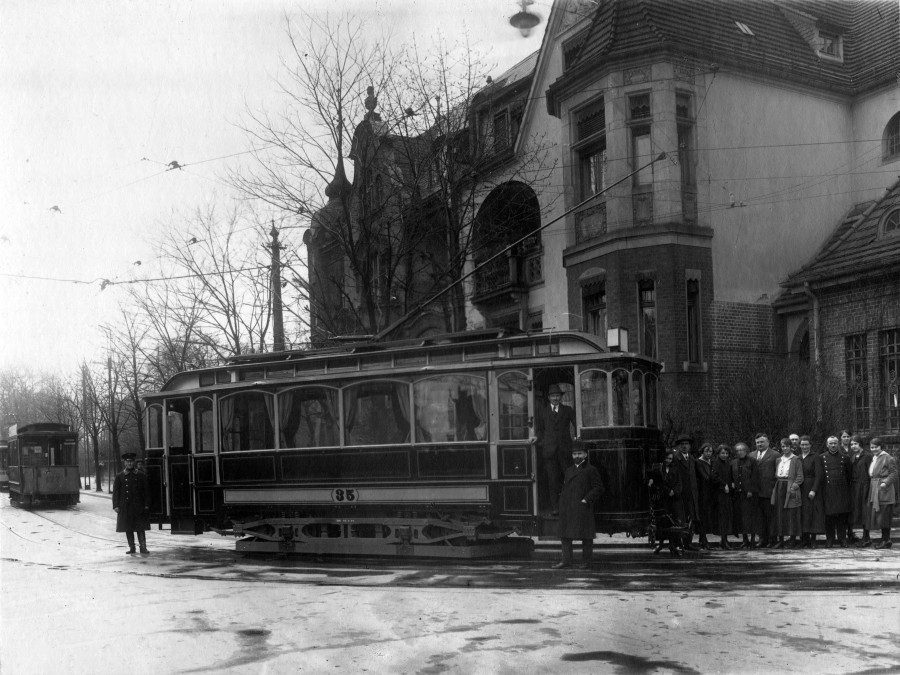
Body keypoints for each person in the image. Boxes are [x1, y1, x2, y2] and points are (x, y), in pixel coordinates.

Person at [552, 442, 604, 569]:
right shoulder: (569, 470)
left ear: (585, 454)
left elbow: (599, 488)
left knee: (586, 536)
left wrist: (586, 500)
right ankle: (566, 561)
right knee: (565, 535)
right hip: (568, 507)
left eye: (579, 453)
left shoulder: (591, 470)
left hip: (583, 507)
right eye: (574, 454)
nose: (577, 456)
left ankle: (586, 562)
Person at [534, 384, 576, 516]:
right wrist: (538, 439)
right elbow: (540, 430)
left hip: (565, 450)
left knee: (569, 478)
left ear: (561, 397)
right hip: (549, 451)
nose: (555, 398)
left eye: (557, 395)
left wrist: (577, 437)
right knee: (552, 480)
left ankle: (570, 506)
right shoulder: (543, 411)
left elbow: (577, 425)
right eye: (553, 396)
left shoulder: (568, 410)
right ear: (549, 397)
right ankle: (555, 508)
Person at [647, 449, 684, 555]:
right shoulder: (659, 468)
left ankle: (673, 544)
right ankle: (661, 543)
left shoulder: (675, 469)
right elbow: (658, 482)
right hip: (663, 499)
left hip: (674, 499)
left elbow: (679, 483)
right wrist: (668, 491)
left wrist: (674, 491)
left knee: (674, 522)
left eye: (671, 459)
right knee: (663, 522)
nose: (669, 460)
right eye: (667, 458)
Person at [113, 452, 150, 555]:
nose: (129, 464)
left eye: (131, 461)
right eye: (127, 462)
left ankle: (143, 547)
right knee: (128, 528)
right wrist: (115, 505)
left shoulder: (141, 475)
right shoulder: (119, 476)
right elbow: (116, 492)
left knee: (140, 527)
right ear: (124, 463)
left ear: (134, 462)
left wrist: (146, 504)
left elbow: (146, 491)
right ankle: (132, 547)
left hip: (138, 506)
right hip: (126, 507)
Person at [819, 435, 852, 547]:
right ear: (827, 445)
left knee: (842, 517)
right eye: (831, 443)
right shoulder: (821, 458)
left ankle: (842, 539)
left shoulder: (845, 458)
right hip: (828, 491)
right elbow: (821, 476)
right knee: (829, 517)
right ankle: (830, 540)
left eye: (835, 443)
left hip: (842, 491)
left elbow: (849, 476)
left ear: (838, 444)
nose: (833, 445)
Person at [865, 437, 898, 549]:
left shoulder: (887, 458)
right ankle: (884, 539)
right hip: (875, 487)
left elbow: (894, 473)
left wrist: (885, 483)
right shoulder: (875, 457)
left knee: (885, 515)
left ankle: (886, 540)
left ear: (881, 447)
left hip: (884, 490)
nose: (873, 449)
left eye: (876, 447)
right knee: (880, 515)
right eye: (872, 447)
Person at [770, 439, 803, 548]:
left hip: (790, 487)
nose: (784, 448)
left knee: (791, 514)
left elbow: (800, 476)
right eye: (783, 446)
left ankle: (792, 539)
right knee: (779, 513)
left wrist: (794, 486)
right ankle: (781, 539)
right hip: (780, 486)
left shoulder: (796, 459)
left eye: (787, 446)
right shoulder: (778, 459)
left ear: (791, 447)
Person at [751, 433, 779, 548]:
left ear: (768, 442)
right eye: (757, 442)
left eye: (762, 442)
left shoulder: (775, 455)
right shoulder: (751, 455)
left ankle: (772, 539)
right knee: (759, 517)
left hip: (769, 490)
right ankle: (762, 539)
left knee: (770, 516)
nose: (760, 444)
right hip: (756, 491)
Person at [673, 435, 700, 551]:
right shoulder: (675, 458)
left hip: (692, 494)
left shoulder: (692, 459)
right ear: (679, 446)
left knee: (691, 519)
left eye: (686, 444)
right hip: (680, 494)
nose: (684, 446)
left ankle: (688, 543)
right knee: (680, 519)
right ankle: (679, 543)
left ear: (689, 446)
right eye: (682, 444)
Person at [798, 435, 825, 548]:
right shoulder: (798, 458)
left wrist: (814, 490)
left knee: (812, 514)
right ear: (800, 446)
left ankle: (813, 540)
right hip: (800, 488)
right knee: (802, 514)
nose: (804, 446)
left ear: (810, 445)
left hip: (811, 488)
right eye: (802, 444)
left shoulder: (816, 457)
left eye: (806, 444)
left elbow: (819, 475)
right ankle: (804, 539)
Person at [730, 442, 758, 548]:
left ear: (746, 451)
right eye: (737, 450)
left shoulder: (752, 461)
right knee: (741, 518)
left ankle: (752, 540)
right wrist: (732, 483)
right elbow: (731, 476)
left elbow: (755, 476)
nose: (739, 452)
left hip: (749, 494)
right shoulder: (733, 462)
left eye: (742, 450)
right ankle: (745, 539)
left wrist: (751, 490)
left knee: (751, 517)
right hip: (738, 494)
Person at [848, 435, 873, 547]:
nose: (853, 446)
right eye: (852, 444)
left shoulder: (867, 456)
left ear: (860, 444)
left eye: (855, 444)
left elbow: (871, 473)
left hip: (865, 486)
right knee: (858, 512)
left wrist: (868, 487)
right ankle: (862, 537)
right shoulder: (853, 457)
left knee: (865, 511)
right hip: (855, 487)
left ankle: (866, 537)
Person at [711, 444, 733, 549]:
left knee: (726, 516)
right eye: (722, 453)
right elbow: (714, 477)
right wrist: (723, 485)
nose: (724, 455)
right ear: (718, 454)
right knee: (722, 517)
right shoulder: (716, 463)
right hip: (720, 493)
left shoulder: (727, 463)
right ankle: (723, 540)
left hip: (727, 493)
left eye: (726, 453)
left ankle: (724, 539)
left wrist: (731, 483)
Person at [695, 443, 716, 549]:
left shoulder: (711, 462)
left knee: (707, 516)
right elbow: (706, 477)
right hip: (703, 492)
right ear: (702, 451)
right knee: (703, 516)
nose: (709, 453)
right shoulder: (699, 462)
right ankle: (703, 539)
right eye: (706, 451)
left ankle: (702, 540)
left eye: (710, 451)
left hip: (710, 492)